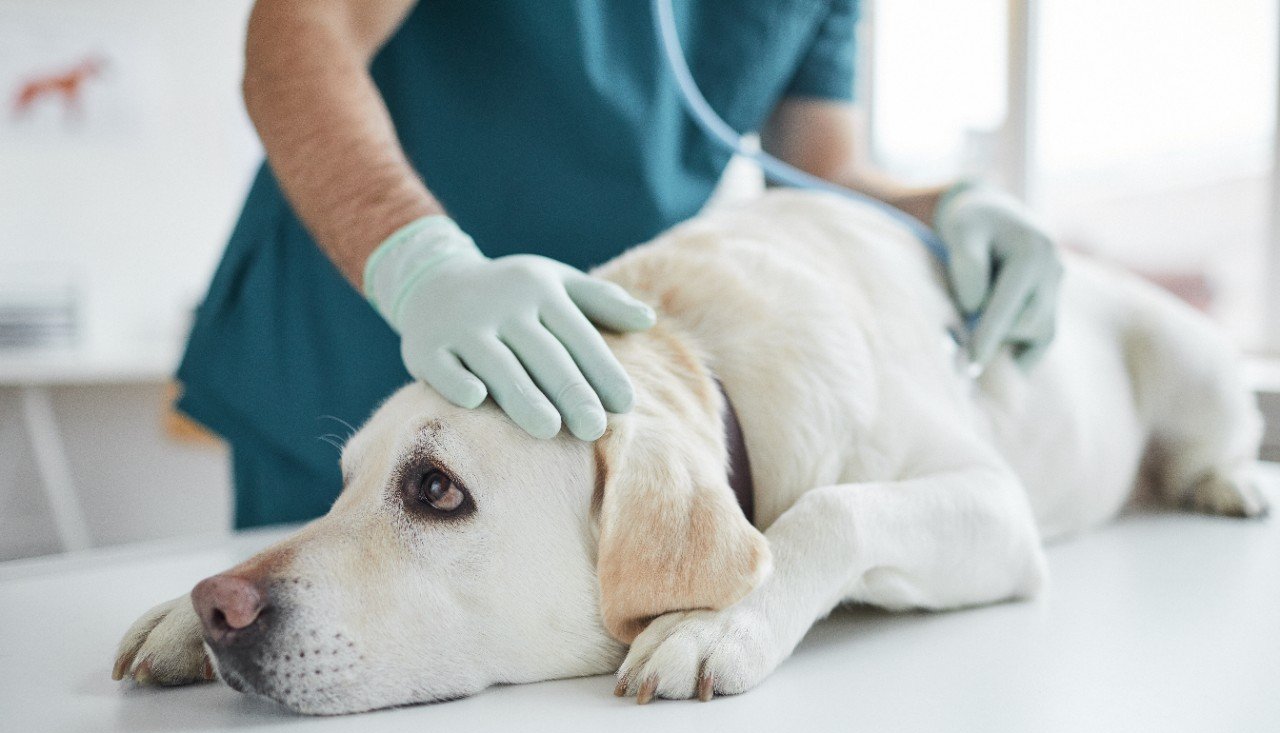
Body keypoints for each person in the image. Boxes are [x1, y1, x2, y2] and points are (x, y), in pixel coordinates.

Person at [177, 0, 1063, 529]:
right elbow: (300, 37)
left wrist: (949, 209)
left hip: (568, 399)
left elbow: (822, 170)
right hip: (343, 338)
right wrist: (423, 265)